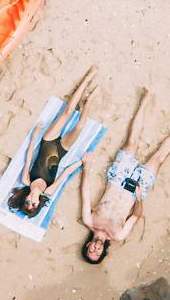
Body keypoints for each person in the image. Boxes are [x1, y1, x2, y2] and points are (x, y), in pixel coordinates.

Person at [79, 86, 170, 264]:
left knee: (132, 143)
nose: (95, 249)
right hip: (135, 192)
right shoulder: (118, 234)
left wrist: (87, 168)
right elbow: (135, 217)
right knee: (158, 158)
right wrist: (140, 198)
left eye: (91, 251)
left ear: (87, 245)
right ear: (103, 251)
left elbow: (85, 193)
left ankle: (145, 100)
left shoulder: (89, 220)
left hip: (117, 178)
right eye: (98, 253)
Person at [7, 66, 101, 216]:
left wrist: (34, 136)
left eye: (27, 202)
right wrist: (82, 162)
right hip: (62, 149)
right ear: (39, 204)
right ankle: (88, 101)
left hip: (48, 141)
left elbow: (29, 157)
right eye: (34, 204)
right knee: (80, 127)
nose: (31, 200)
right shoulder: (49, 190)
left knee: (68, 112)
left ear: (24, 198)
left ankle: (87, 78)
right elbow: (65, 173)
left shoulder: (26, 180)